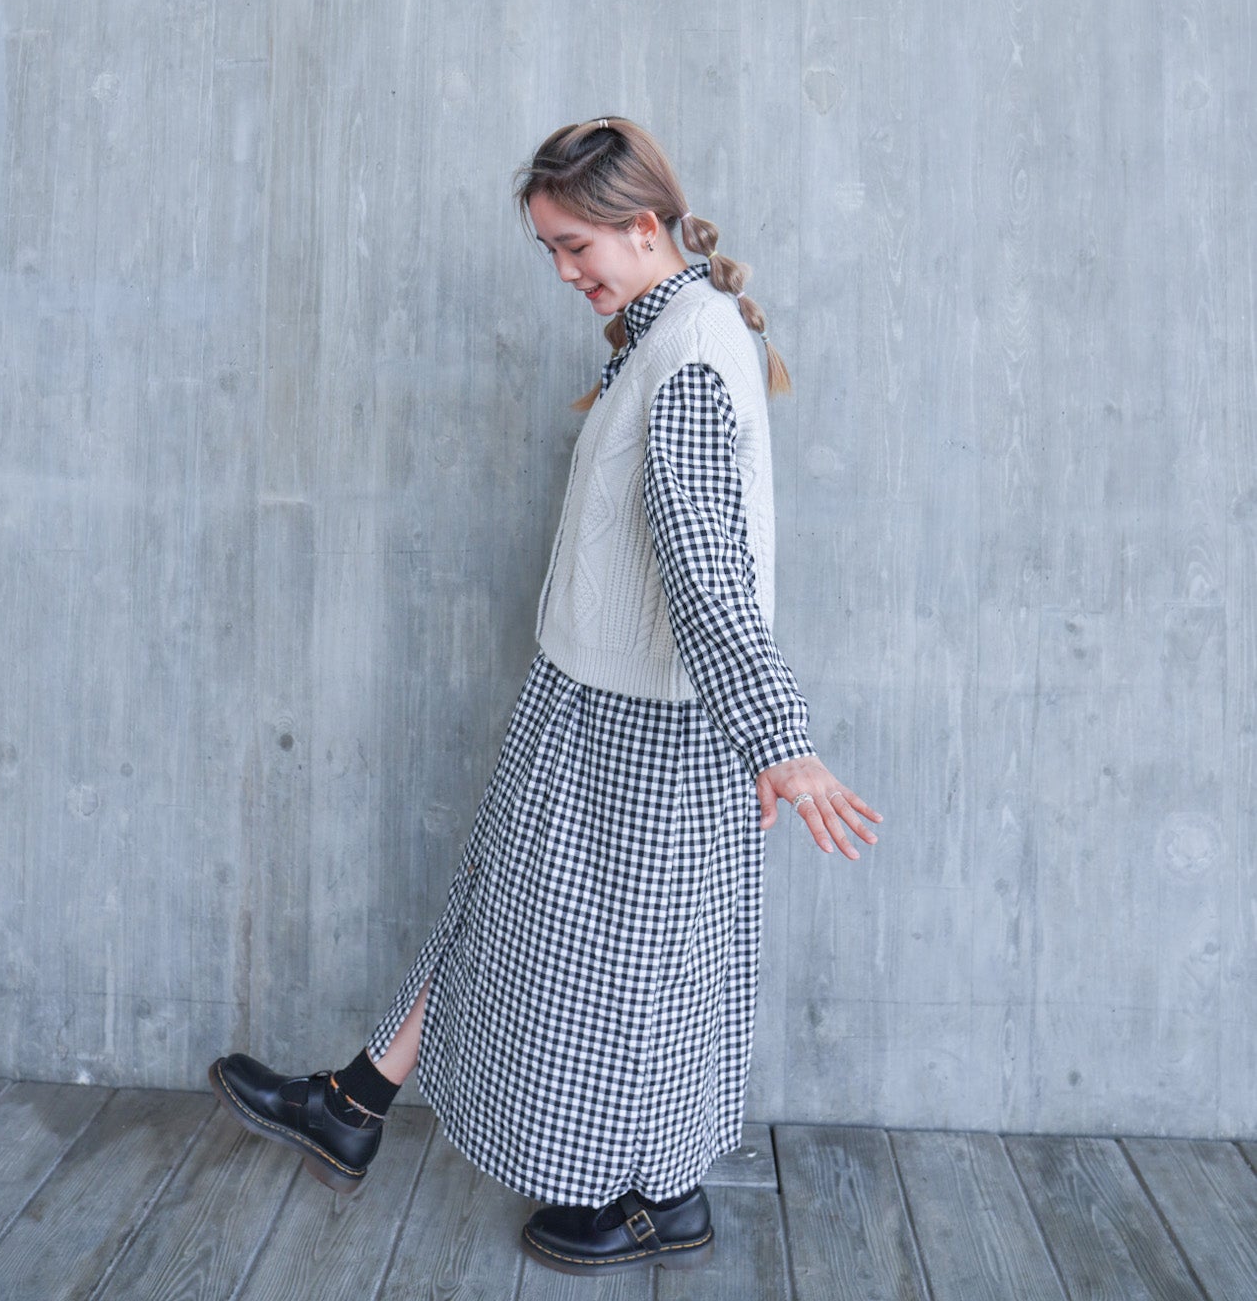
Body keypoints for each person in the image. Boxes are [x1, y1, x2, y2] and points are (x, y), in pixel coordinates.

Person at [209, 115, 880, 1276]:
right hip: (593, 699)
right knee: (506, 907)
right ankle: (357, 1099)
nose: (567, 272)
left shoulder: (690, 355)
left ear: (642, 224)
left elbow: (707, 568)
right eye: (550, 250)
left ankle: (660, 1199)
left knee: (638, 967)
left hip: (649, 721)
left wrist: (780, 740)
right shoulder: (664, 332)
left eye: (577, 246)